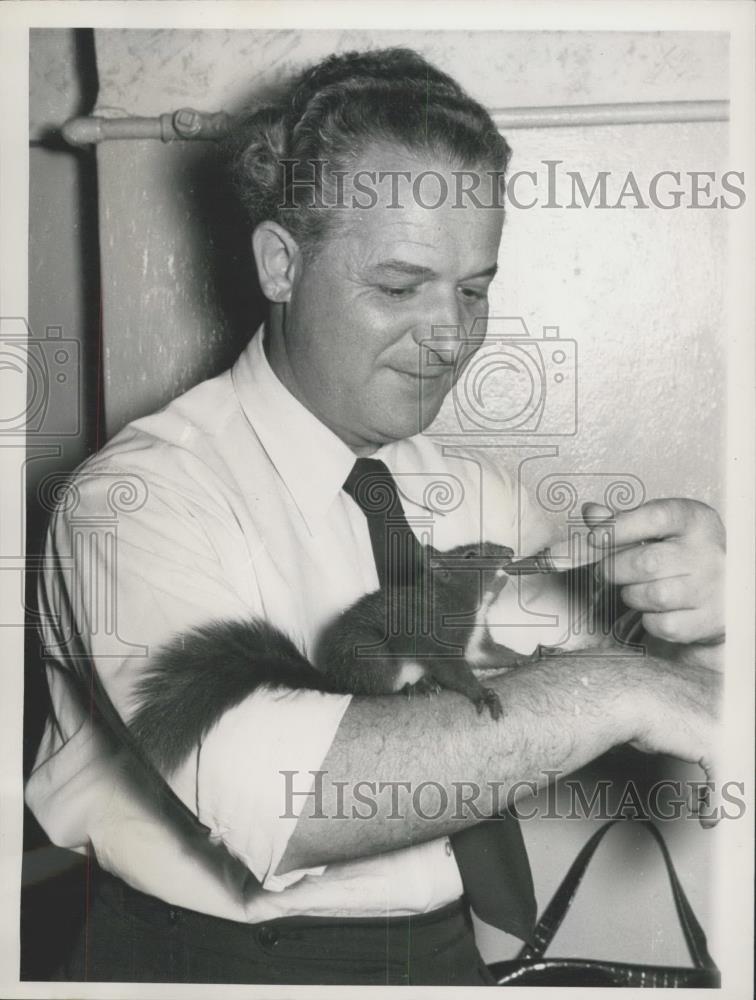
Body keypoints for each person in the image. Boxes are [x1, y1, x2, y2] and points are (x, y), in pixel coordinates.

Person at [26, 48, 725, 985]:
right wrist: (621, 689)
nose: (452, 338)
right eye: (400, 287)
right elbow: (288, 797)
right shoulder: (137, 502)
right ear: (281, 262)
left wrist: (706, 618)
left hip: (443, 953)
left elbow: (653, 698)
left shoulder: (477, 496)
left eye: (473, 290)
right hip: (208, 964)